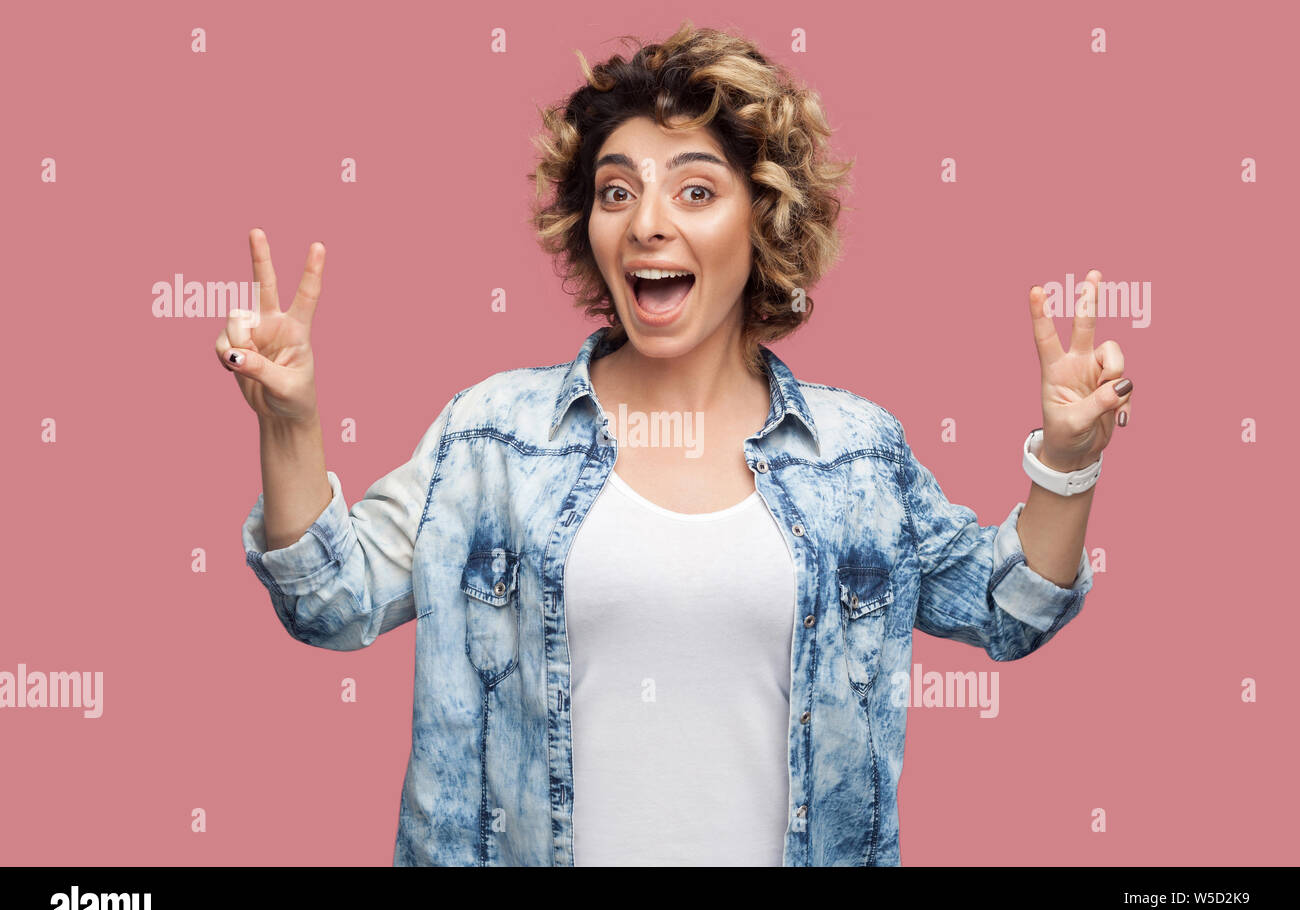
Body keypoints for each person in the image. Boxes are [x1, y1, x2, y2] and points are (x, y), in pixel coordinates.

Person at [217, 21, 1132, 866]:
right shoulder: (490, 435)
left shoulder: (856, 456)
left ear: (762, 222)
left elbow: (1010, 614)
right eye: (618, 191)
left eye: (695, 190)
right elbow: (330, 605)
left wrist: (1070, 456)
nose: (648, 222)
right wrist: (290, 422)